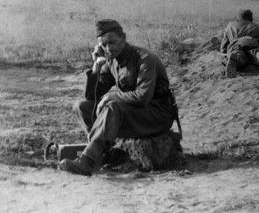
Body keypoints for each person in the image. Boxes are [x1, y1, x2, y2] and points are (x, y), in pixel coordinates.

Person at [60, 19, 179, 176]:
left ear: (123, 38)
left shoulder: (145, 59)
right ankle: (101, 152)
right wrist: (95, 67)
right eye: (103, 45)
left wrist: (111, 97)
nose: (108, 48)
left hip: (157, 114)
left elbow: (143, 97)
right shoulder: (112, 61)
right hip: (134, 113)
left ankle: (88, 161)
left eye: (112, 42)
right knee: (81, 106)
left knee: (113, 107)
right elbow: (91, 96)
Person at [220, 9, 259, 77]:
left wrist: (224, 54)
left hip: (237, 45)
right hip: (253, 43)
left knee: (239, 56)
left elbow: (224, 43)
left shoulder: (230, 25)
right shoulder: (256, 26)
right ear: (250, 18)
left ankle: (234, 58)